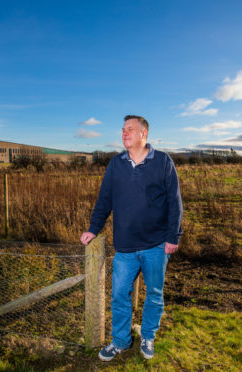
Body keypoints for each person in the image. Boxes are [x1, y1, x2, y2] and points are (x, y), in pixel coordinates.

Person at [80, 115, 183, 361]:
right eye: (123, 130)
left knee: (155, 294)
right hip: (125, 246)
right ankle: (121, 341)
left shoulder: (162, 161)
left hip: (156, 245)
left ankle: (148, 336)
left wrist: (173, 236)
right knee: (119, 295)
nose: (124, 133)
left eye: (130, 129)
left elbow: (174, 201)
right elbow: (105, 199)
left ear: (143, 134)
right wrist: (94, 228)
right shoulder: (116, 164)